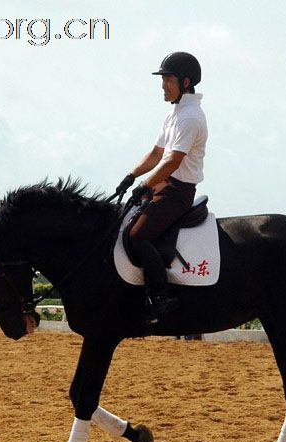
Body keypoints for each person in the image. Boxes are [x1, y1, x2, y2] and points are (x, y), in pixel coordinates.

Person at [114, 51, 208, 324]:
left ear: (186, 82)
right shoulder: (175, 114)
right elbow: (156, 154)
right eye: (163, 80)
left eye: (168, 80)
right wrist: (131, 176)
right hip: (163, 184)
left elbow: (172, 161)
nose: (163, 86)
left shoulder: (191, 117)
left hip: (177, 191)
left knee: (138, 236)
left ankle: (161, 298)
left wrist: (145, 184)